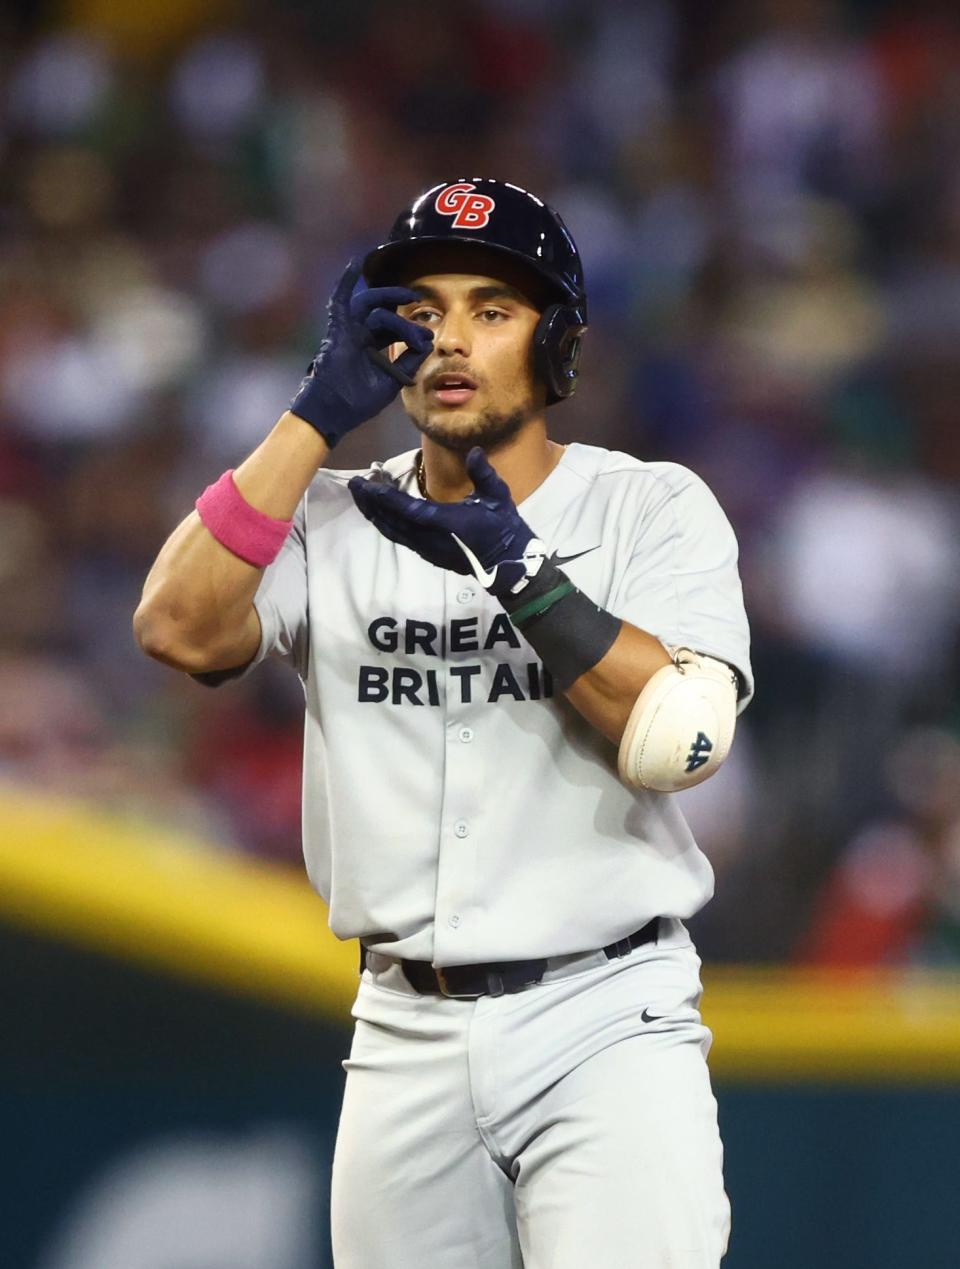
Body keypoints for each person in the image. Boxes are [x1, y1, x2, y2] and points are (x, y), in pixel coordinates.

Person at [134, 178, 753, 1269]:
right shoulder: (329, 513)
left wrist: (520, 572)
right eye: (420, 310)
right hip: (400, 1034)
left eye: (493, 309)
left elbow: (677, 737)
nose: (451, 338)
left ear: (558, 346)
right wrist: (311, 420)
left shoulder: (646, 506)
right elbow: (178, 627)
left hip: (606, 1014)